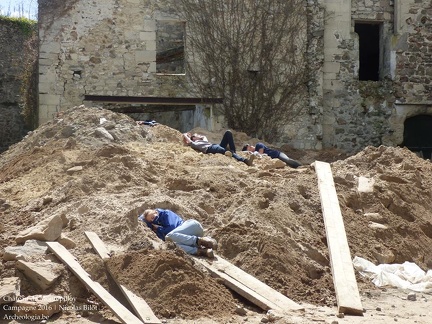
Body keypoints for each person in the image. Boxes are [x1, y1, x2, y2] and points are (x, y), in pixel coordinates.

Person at [138, 208, 217, 258]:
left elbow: (172, 228)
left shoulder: (166, 213)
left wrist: (159, 228)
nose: (153, 220)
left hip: (193, 227)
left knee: (169, 236)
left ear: (156, 211)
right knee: (173, 246)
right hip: (186, 239)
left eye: (152, 217)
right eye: (151, 220)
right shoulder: (157, 227)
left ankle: (200, 240)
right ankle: (201, 251)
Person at [183, 130, 255, 166]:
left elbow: (204, 137)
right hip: (211, 149)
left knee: (228, 133)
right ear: (194, 138)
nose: (198, 135)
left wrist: (196, 136)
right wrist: (187, 135)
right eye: (196, 135)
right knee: (226, 151)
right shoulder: (195, 143)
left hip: (215, 146)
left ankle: (234, 153)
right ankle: (245, 161)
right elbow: (189, 141)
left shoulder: (202, 141)